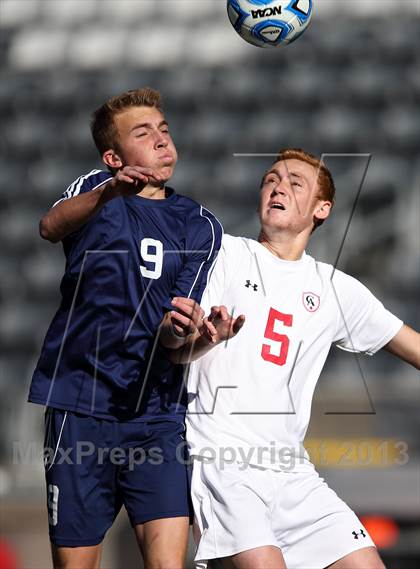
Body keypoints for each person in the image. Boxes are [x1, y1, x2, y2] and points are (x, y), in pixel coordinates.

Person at [169, 148, 419, 569]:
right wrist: (204, 337)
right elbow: (175, 353)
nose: (278, 187)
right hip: (226, 464)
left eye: (294, 182)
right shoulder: (225, 255)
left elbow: (412, 345)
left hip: (293, 472)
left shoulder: (335, 288)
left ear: (322, 209)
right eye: (270, 179)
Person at [28, 87, 222, 569]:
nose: (160, 139)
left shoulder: (200, 224)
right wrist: (107, 192)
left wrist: (185, 330)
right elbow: (50, 227)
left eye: (164, 129)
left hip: (155, 413)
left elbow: (174, 337)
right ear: (114, 157)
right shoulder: (95, 190)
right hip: (80, 404)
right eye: (143, 132)